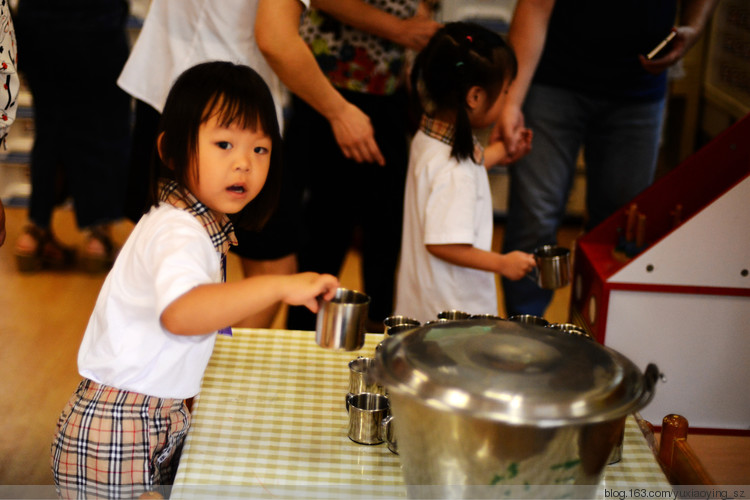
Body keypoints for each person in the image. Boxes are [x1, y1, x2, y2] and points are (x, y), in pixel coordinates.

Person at [49, 62, 339, 499]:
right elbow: (183, 314)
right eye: (224, 144)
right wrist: (280, 285)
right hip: (120, 433)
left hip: (145, 422)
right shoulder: (178, 230)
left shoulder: (195, 225)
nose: (243, 163)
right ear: (171, 151)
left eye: (260, 149)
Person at [495, 0, 719, 317]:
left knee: (620, 230)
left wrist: (694, 28)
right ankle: (525, 333)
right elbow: (535, 6)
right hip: (553, 80)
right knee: (535, 218)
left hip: (639, 91)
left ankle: (597, 339)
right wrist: (510, 102)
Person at [281, 0, 441, 332]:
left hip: (391, 87)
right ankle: (302, 343)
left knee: (385, 236)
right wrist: (400, 28)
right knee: (324, 231)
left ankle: (377, 347)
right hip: (332, 87)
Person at [394, 22, 535, 323]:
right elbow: (443, 244)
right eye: (506, 91)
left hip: (423, 300)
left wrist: (499, 154)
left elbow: (448, 182)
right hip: (455, 313)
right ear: (474, 97)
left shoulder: (429, 136)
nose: (508, 96)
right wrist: (503, 263)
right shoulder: (455, 170)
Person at [12, 0, 132, 272]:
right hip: (96, 25)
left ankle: (34, 232)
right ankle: (98, 237)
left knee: (50, 127)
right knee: (104, 128)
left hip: (38, 26)